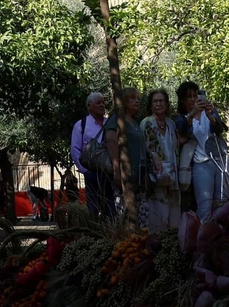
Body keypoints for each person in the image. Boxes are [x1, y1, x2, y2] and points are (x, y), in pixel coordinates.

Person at [178, 82, 229, 219]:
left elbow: (219, 129)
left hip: (219, 161)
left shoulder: (209, 112)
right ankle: (204, 230)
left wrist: (210, 115)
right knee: (205, 205)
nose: (193, 99)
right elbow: (181, 131)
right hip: (200, 164)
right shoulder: (182, 118)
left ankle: (220, 230)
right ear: (183, 100)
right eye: (189, 97)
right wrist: (192, 113)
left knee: (222, 203)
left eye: (195, 95)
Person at [140, 88, 182, 230]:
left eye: (161, 101)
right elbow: (143, 148)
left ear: (167, 103)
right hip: (155, 177)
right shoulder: (146, 123)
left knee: (174, 216)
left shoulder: (171, 123)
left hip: (172, 176)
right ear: (150, 105)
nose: (159, 104)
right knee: (158, 216)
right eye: (155, 101)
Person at [101, 88, 144, 221]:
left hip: (138, 179)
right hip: (124, 177)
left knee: (141, 219)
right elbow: (111, 140)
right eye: (132, 98)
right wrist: (117, 170)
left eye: (138, 98)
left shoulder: (135, 122)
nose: (137, 101)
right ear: (124, 101)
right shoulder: (117, 119)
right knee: (125, 217)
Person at [69, 92, 111, 217]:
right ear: (89, 106)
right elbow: (75, 150)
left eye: (103, 102)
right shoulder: (81, 125)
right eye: (98, 103)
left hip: (109, 173)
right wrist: (85, 171)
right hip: (91, 173)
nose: (102, 105)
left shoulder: (110, 124)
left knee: (110, 208)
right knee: (93, 208)